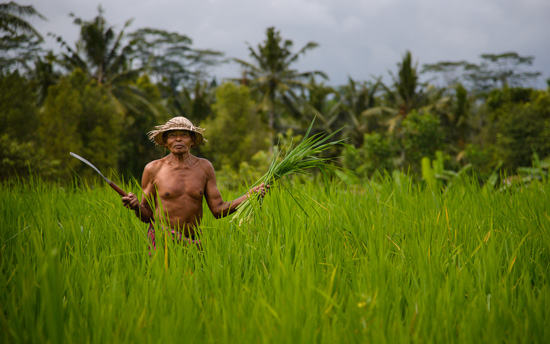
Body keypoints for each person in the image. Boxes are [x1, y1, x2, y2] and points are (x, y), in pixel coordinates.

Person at [122, 116, 268, 247]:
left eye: (184, 135)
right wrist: (136, 206)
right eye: (173, 136)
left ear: (192, 140)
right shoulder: (153, 169)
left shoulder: (204, 167)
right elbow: (146, 216)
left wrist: (248, 196)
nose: (178, 139)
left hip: (194, 241)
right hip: (163, 238)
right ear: (166, 142)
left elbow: (218, 210)